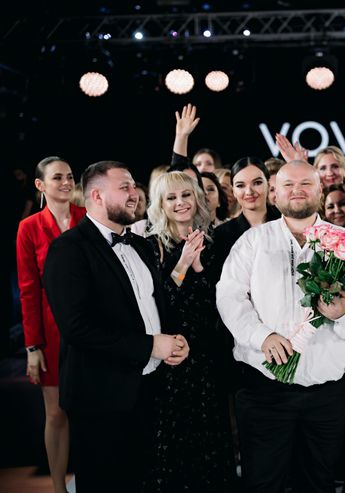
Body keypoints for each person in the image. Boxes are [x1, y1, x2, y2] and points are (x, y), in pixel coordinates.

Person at [216, 159, 345, 493]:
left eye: (306, 184)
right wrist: (261, 336)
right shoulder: (253, 241)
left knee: (319, 481)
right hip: (264, 385)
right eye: (288, 185)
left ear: (320, 191)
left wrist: (344, 313)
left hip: (329, 389)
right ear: (274, 194)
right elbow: (229, 296)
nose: (297, 191)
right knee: (263, 482)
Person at [42, 160, 190, 493]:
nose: (134, 193)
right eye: (124, 187)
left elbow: (153, 306)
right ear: (96, 195)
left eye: (134, 186)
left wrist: (173, 340)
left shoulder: (140, 244)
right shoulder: (68, 249)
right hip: (100, 398)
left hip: (148, 388)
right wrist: (151, 345)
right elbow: (77, 327)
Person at [143, 171, 235, 492]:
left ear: (197, 198)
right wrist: (182, 265)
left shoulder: (215, 242)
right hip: (173, 359)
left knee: (212, 441)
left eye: (186, 195)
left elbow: (220, 305)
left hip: (209, 358)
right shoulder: (152, 246)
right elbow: (160, 305)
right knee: (175, 444)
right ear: (161, 204)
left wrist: (199, 267)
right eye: (171, 197)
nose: (180, 203)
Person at [16, 156, 85, 493]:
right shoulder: (29, 227)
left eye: (70, 176)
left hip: (91, 329)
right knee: (56, 413)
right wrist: (33, 346)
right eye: (57, 177)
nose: (66, 182)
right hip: (51, 332)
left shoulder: (88, 217)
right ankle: (59, 487)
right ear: (40, 185)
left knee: (91, 411)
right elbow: (28, 289)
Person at [211, 157, 282, 271]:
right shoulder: (221, 235)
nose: (249, 192)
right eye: (240, 185)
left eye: (257, 183)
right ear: (233, 191)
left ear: (268, 185)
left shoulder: (287, 223)